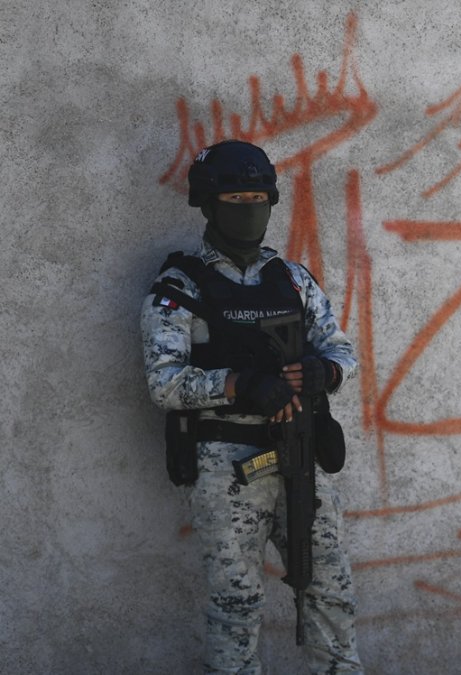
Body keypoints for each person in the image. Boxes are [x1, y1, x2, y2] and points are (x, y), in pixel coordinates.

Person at [140, 139, 363, 674]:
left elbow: (342, 350)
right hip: (226, 469)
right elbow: (164, 383)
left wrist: (323, 371)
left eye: (258, 196)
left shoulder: (292, 279)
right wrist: (238, 384)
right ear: (210, 205)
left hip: (301, 456)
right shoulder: (180, 287)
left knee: (329, 590)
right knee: (236, 609)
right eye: (236, 197)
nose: (249, 208)